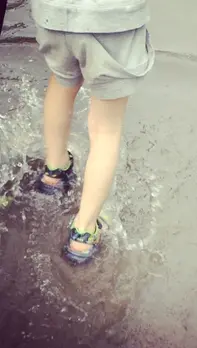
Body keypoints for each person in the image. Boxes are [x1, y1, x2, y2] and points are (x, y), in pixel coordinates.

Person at [30, 0, 155, 265]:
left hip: (53, 13)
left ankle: (54, 172)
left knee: (61, 80)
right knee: (106, 128)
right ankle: (83, 233)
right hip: (112, 20)